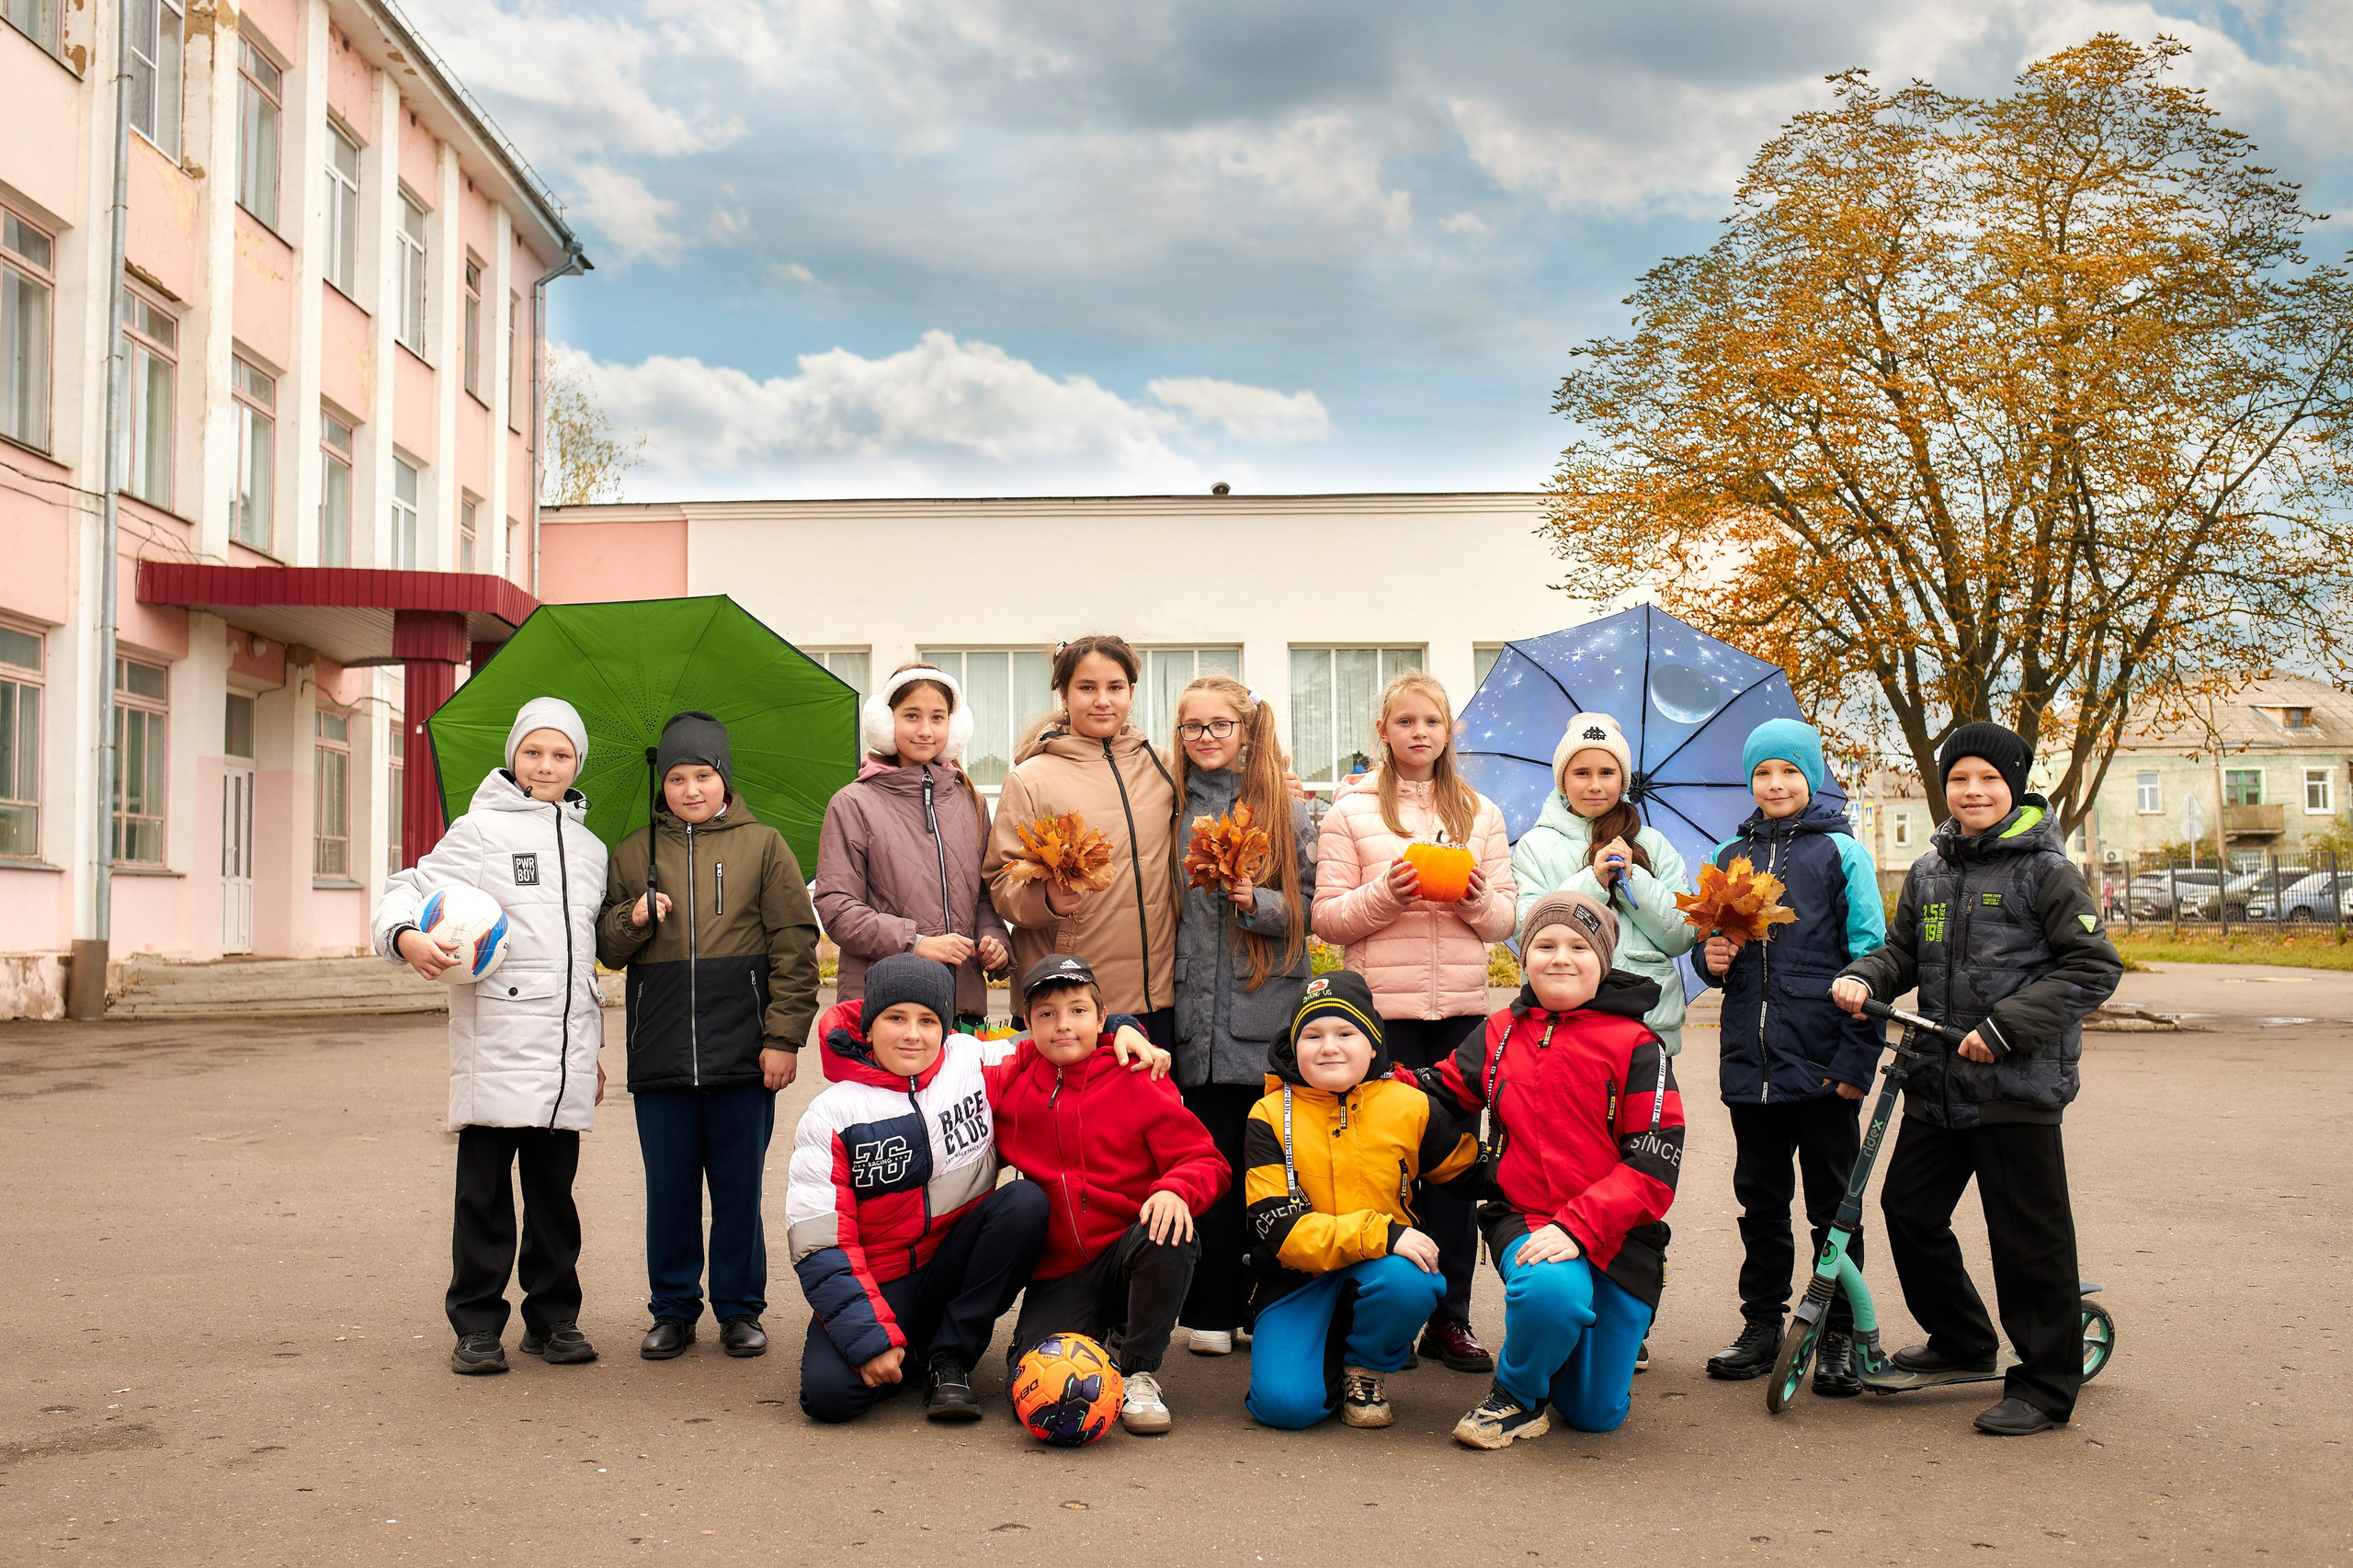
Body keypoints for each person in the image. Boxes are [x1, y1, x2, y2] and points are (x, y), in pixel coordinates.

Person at [1833, 722, 2122, 1437]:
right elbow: (1902, 953)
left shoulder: (2047, 871)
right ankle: (1962, 1338)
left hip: (2017, 1086)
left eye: (1988, 779)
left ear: (2014, 786)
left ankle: (2047, 1384)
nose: (1973, 791)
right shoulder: (1930, 870)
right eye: (1960, 778)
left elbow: (2092, 967)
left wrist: (2005, 1028)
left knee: (2027, 1240)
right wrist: (1864, 975)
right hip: (1938, 1081)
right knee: (1909, 1210)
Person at [785, 953, 1167, 1423]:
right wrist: (870, 1342)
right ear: (869, 1027)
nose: (912, 1034)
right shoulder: (831, 1114)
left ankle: (951, 1358)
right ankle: (912, 1347)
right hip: (880, 1280)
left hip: (954, 1264)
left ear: (946, 1027)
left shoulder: (974, 1061)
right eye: (895, 1018)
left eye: (928, 1020)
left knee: (1023, 1203)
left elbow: (1057, 1035)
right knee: (830, 1399)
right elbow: (821, 1245)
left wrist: (1124, 1027)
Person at [373, 698, 609, 1375]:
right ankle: (476, 1325)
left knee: (554, 1196)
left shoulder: (592, 850)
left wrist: (590, 1051)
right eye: (533, 752)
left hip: (564, 1051)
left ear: (578, 763)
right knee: (483, 1196)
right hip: (496, 1044)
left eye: (561, 754)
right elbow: (407, 886)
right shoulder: (477, 831)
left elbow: (584, 958)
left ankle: (553, 1319)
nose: (546, 766)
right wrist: (406, 936)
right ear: (513, 756)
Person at [597, 711, 821, 1364]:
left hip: (743, 1053)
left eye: (702, 775)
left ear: (724, 777)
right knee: (668, 1193)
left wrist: (783, 1038)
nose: (690, 789)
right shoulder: (634, 852)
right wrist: (633, 917)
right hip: (660, 1052)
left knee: (737, 1189)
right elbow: (607, 946)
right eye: (676, 778)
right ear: (661, 783)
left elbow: (795, 948)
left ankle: (740, 1310)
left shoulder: (765, 846)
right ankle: (671, 1310)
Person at [1420, 892, 1683, 1449]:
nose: (1560, 957)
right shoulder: (1499, 1032)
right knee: (1551, 1290)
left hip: (1617, 1237)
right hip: (1528, 1217)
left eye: (1578, 947)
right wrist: (1364, 1076)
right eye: (1544, 945)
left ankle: (1566, 1347)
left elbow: (1654, 1169)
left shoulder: (1639, 1046)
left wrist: (1579, 1226)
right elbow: (1438, 1091)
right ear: (1524, 958)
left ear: (1602, 961)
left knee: (1594, 1414)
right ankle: (1518, 1396)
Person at [1310, 670, 1515, 1375]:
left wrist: (1475, 900)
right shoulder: (1350, 813)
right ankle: (1384, 1314)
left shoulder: (1480, 814)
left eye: (1432, 721)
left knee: (1454, 1168)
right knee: (1380, 1166)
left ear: (1449, 732)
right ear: (1384, 732)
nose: (1420, 732)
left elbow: (1505, 920)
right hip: (1382, 1015)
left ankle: (1450, 1318)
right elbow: (1327, 917)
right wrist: (1386, 894)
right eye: (1406, 722)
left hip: (1459, 1014)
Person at [1696, 720, 1886, 1392]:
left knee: (1833, 1206)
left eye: (1789, 771)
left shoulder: (1841, 853)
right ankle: (1762, 1323)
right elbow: (1713, 950)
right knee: (1760, 1200)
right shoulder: (1730, 854)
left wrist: (1856, 1064)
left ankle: (1837, 1331)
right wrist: (1711, 958)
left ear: (1813, 776)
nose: (1775, 784)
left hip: (1823, 1063)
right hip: (1751, 1064)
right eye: (1762, 773)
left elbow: (1873, 960)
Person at [990, 955, 1227, 1434]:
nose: (1063, 1025)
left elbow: (1207, 1161)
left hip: (1126, 1253)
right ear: (1028, 1025)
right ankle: (1096, 1335)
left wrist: (1176, 1190)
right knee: (1030, 1394)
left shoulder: (1136, 1075)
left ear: (1102, 1019)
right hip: (1061, 1271)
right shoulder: (1013, 1086)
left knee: (1169, 1228)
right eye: (1047, 1014)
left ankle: (1138, 1370)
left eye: (1078, 1011)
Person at [1241, 971, 1482, 1431]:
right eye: (1312, 1035)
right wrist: (1383, 1233)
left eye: (1345, 1033)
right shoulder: (1268, 1114)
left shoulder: (1411, 1106)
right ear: (1294, 1046)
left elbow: (1469, 1172)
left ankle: (1365, 1366)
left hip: (1380, 1272)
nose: (1328, 1047)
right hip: (1297, 1277)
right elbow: (1283, 1234)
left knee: (1413, 1279)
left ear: (1373, 1044)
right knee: (1285, 1408)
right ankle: (1323, 1352)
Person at [1168, 674, 1317, 1357]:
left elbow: (1312, 909)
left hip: (1262, 1010)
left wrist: (1259, 902)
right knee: (1206, 1165)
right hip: (1192, 1016)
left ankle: (1264, 1301)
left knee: (1264, 1168)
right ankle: (1209, 1306)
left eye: (1219, 725)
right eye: (1193, 726)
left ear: (1247, 731)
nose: (1206, 737)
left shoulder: (1286, 811)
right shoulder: (1172, 809)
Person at [985, 635, 1180, 1045]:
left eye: (1115, 687)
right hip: (1069, 1002)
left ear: (1131, 692)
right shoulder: (1030, 779)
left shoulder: (1164, 767)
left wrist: (1275, 783)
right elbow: (1001, 881)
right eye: (1087, 687)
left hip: (1158, 998)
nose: (1102, 700)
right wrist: (1045, 900)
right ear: (1064, 695)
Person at [815, 663, 1012, 1035]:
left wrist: (996, 941)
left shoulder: (970, 802)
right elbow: (837, 908)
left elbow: (984, 898)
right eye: (911, 716)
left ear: (954, 726)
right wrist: (917, 944)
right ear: (884, 723)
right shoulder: (852, 803)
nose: (925, 730)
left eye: (938, 717)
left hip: (961, 1008)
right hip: (886, 1007)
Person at [1507, 710, 1696, 1054]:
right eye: (1582, 773)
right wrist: (1592, 880)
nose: (1594, 785)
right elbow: (1526, 929)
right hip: (1565, 1019)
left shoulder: (1653, 844)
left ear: (1622, 780)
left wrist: (1634, 879)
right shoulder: (1536, 846)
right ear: (1563, 781)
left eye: (1607, 773)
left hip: (1645, 1023)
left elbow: (1683, 934)